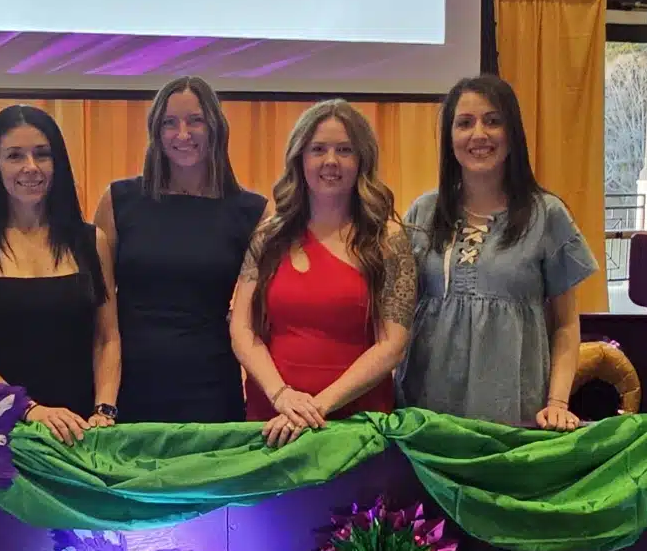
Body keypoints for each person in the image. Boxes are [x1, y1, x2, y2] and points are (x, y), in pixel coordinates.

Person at [400, 74, 598, 429]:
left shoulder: (547, 215)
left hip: (512, 411)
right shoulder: (423, 212)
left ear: (513, 133)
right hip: (426, 413)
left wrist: (557, 402)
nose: (479, 134)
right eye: (464, 123)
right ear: (449, 137)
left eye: (493, 121)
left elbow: (566, 324)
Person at [231, 99, 415, 447]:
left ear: (362, 160)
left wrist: (314, 408)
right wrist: (282, 395)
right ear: (299, 158)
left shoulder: (387, 239)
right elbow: (241, 328)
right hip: (272, 421)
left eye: (344, 150)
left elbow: (392, 346)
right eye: (318, 149)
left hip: (356, 425)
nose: (331, 161)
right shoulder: (268, 236)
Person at [0, 105, 120, 443]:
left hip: (83, 427)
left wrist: (104, 409)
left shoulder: (91, 241)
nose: (31, 167)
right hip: (3, 429)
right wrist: (26, 408)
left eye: (42, 154)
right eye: (14, 156)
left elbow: (107, 338)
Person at [95, 77, 266, 424]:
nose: (182, 134)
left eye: (195, 121)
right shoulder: (118, 201)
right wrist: (103, 400)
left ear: (215, 127)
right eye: (169, 123)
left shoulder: (252, 212)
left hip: (211, 384)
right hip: (127, 381)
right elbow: (99, 310)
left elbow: (258, 314)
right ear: (155, 132)